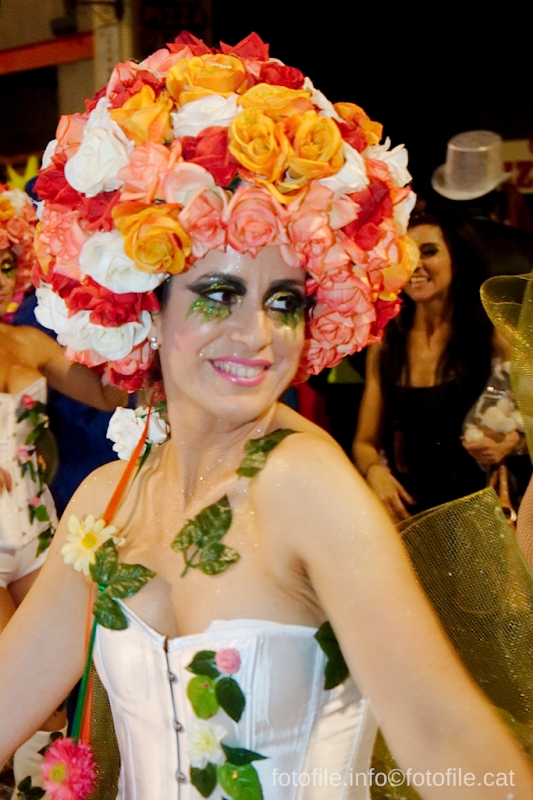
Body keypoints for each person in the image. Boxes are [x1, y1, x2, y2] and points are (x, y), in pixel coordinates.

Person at [0, 32, 531, 800]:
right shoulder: (106, 504)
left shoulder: (305, 486)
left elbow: (452, 745)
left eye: (283, 301)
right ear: (143, 305)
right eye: (218, 294)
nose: (256, 335)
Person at [0, 184, 127, 793]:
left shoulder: (26, 342)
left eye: (5, 262)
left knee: (64, 691)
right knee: (12, 694)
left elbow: (106, 394)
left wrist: (130, 337)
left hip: (37, 530)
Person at [353, 211, 524, 522]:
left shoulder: (492, 334)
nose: (416, 265)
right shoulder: (386, 344)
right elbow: (365, 442)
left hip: (480, 512)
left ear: (457, 262)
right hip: (410, 513)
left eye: (429, 252)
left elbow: (528, 416)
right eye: (407, 254)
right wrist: (374, 471)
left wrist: (510, 443)